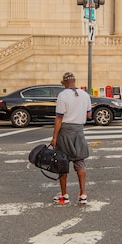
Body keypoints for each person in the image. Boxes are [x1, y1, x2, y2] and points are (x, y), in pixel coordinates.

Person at [50, 72, 91, 206]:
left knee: (62, 162)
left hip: (65, 131)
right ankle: (83, 194)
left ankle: (64, 195)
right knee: (80, 161)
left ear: (65, 83)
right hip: (79, 131)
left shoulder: (63, 95)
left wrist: (54, 137)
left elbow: (59, 117)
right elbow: (89, 114)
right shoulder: (85, 95)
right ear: (74, 81)